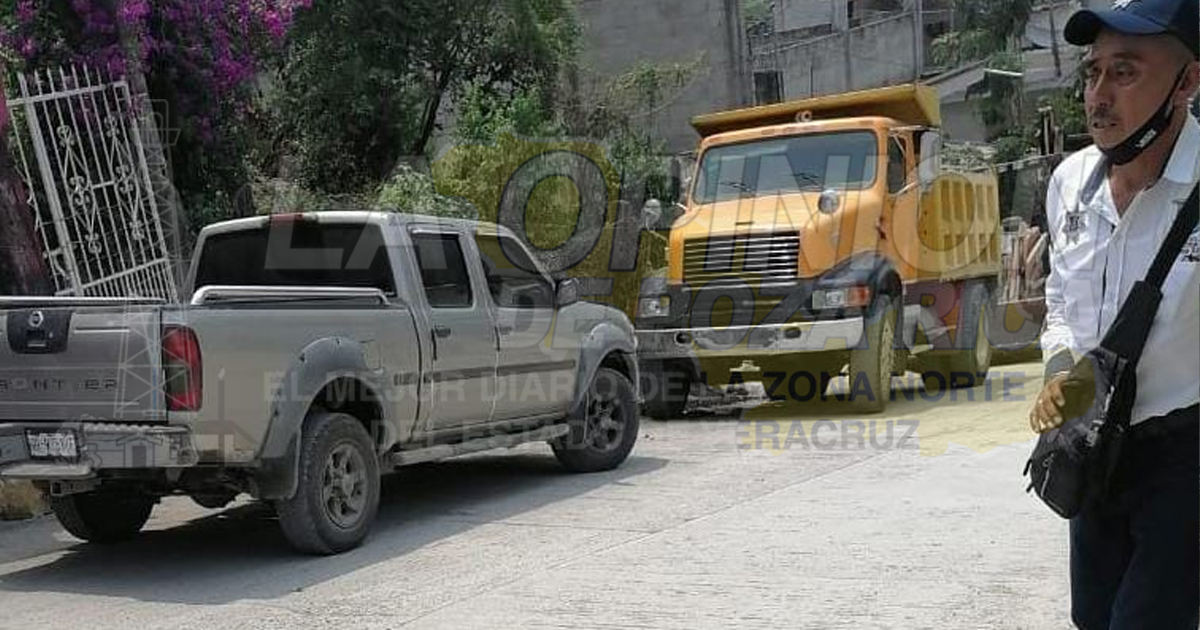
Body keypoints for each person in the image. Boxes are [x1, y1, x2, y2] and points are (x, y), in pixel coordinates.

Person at [1028, 0, 1200, 628]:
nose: (1098, 95)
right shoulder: (1070, 183)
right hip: (1096, 446)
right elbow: (1060, 300)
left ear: (1187, 82)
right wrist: (1059, 368)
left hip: (1185, 452)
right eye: (1092, 72)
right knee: (1093, 618)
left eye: (1124, 73)